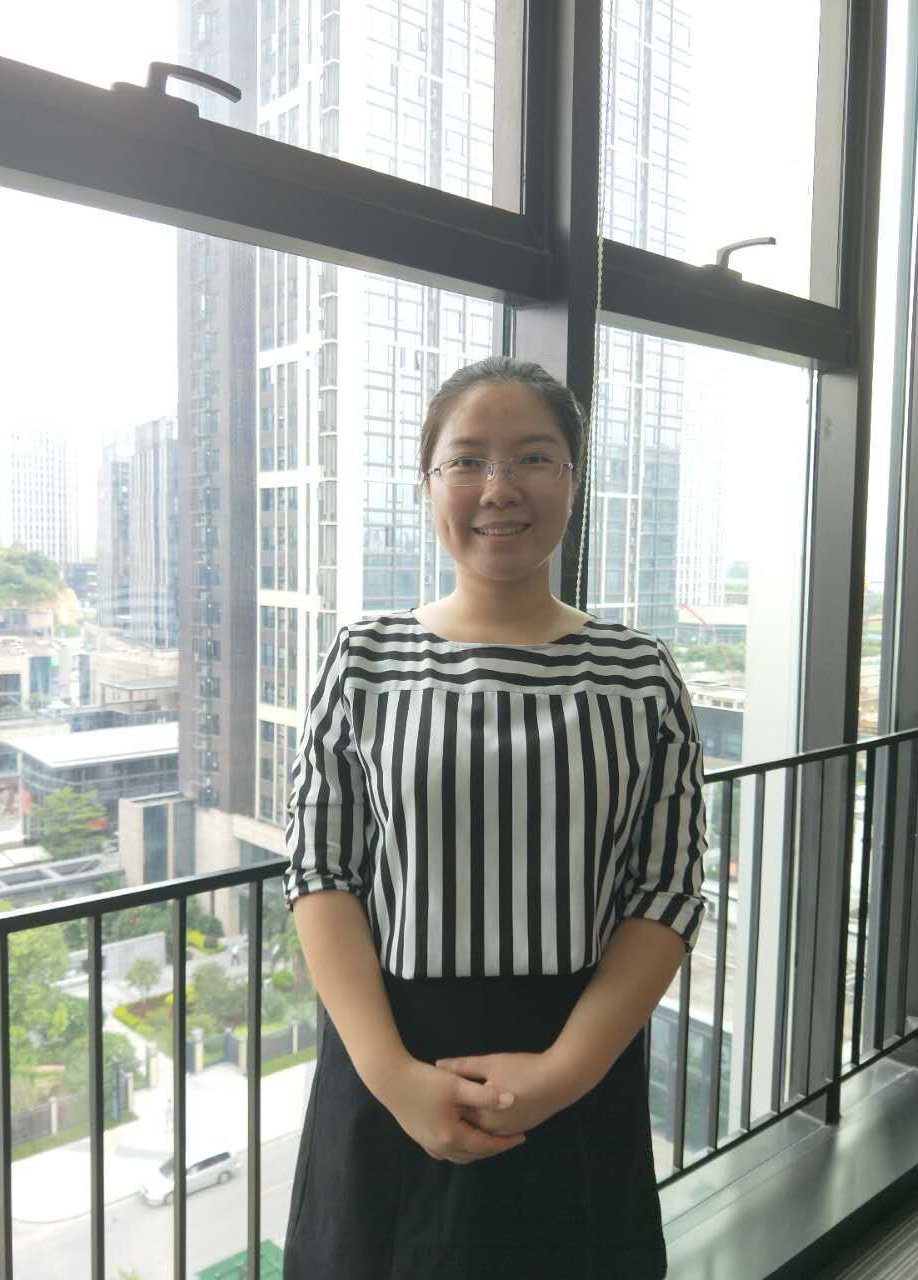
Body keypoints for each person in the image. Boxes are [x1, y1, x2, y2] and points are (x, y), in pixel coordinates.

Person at [281, 356, 709, 1279]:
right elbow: (320, 871)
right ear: (428, 483)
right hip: (387, 1071)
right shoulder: (365, 659)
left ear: (574, 480)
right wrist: (394, 1078)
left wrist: (559, 1076)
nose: (499, 488)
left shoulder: (639, 674)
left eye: (534, 458)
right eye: (467, 460)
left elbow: (667, 889)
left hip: (575, 1071)